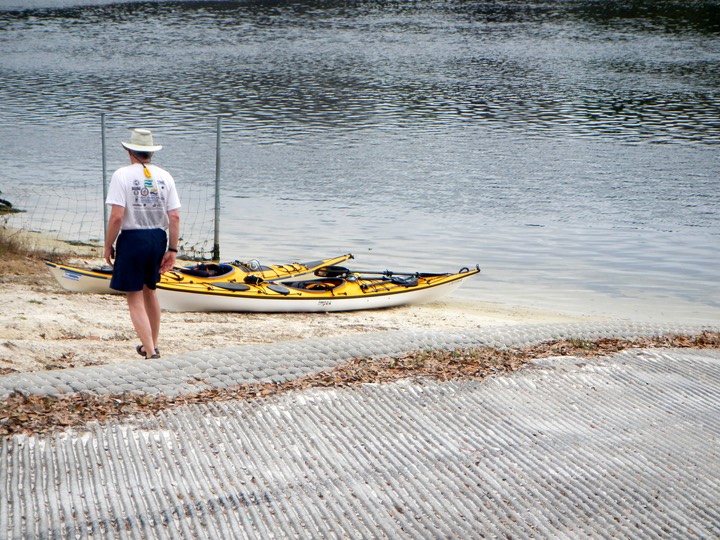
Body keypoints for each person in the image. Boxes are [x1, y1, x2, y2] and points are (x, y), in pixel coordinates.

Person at [103, 128, 181, 359]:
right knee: (151, 290)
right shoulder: (165, 176)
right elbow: (174, 216)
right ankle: (152, 345)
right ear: (150, 153)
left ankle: (149, 351)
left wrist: (108, 244)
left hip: (133, 238)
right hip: (158, 236)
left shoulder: (122, 175)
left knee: (134, 295)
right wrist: (173, 249)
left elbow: (117, 216)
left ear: (129, 151)